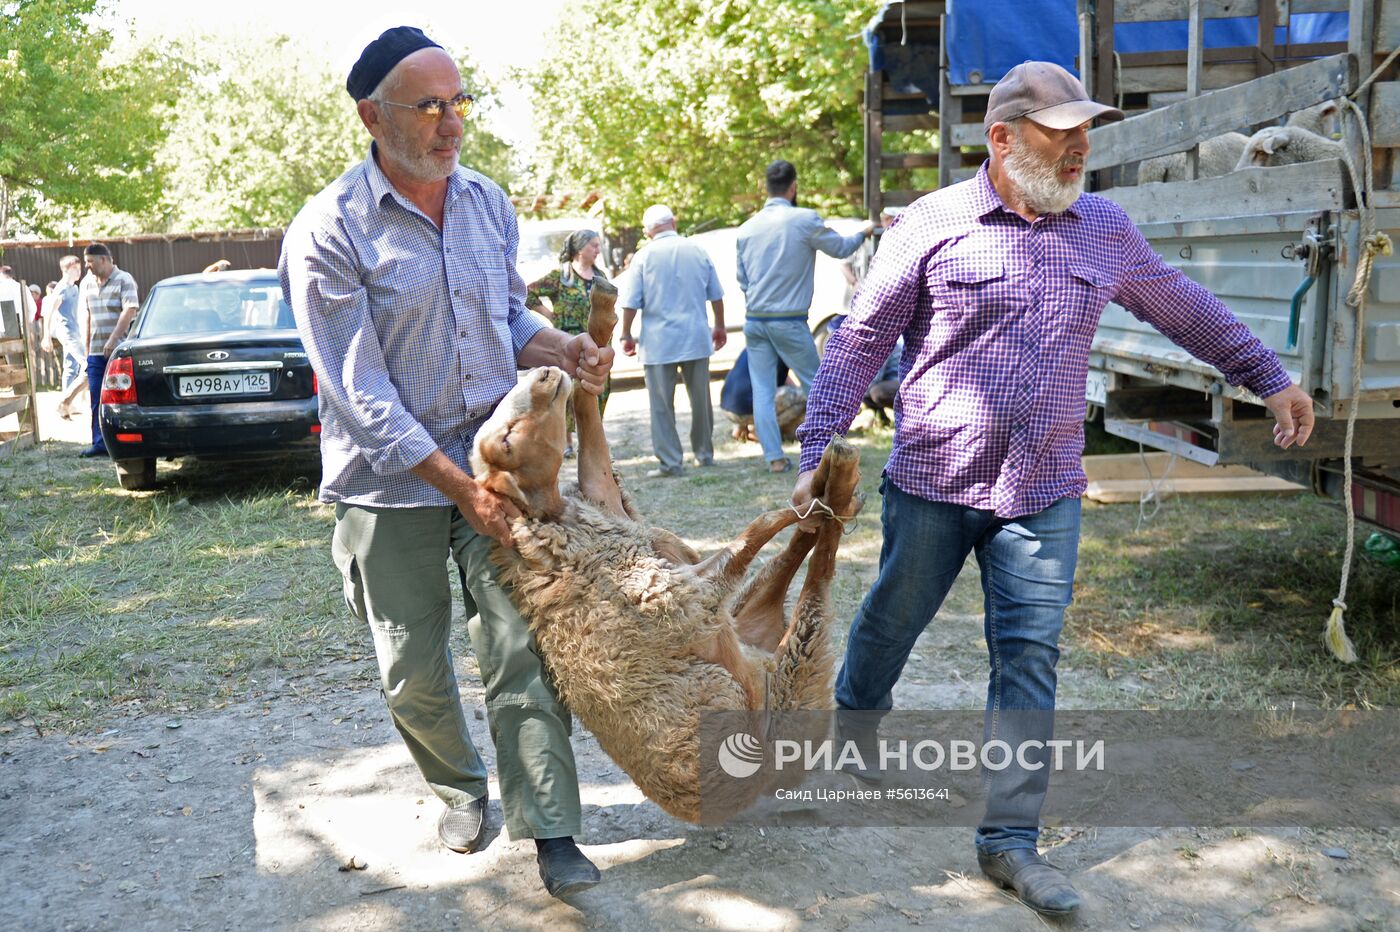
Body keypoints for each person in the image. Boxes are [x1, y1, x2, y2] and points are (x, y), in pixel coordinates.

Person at [790, 60, 1316, 918]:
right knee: (894, 615)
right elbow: (860, 338)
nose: (1080, 150)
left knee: (1029, 655)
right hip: (933, 476)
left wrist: (1269, 374)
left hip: (1044, 488)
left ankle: (1010, 843)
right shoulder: (932, 223)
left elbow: (1179, 304)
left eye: (1085, 134)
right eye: (1060, 134)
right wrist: (819, 442)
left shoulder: (1103, 228)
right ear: (1002, 139)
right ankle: (859, 707)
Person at [278, 26, 613, 899]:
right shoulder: (328, 231)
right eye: (428, 105)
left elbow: (503, 318)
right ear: (370, 114)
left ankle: (552, 828)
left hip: (498, 472)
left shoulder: (485, 204)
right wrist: (455, 486)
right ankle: (458, 788)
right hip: (388, 487)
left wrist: (559, 343)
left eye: (459, 101)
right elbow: (360, 392)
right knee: (410, 664)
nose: (451, 122)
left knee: (523, 648)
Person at [735, 160, 872, 473]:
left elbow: (742, 280)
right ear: (793, 187)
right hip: (789, 319)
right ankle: (828, 449)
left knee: (763, 390)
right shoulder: (804, 220)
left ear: (765, 188)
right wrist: (863, 232)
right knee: (818, 383)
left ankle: (774, 458)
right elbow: (840, 248)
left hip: (755, 320)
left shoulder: (747, 228)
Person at [619, 204, 725, 478]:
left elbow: (631, 302)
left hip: (659, 341)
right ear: (674, 222)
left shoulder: (643, 257)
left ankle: (670, 462)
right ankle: (704, 453)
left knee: (661, 405)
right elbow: (715, 295)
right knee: (701, 400)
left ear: (647, 231)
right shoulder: (697, 250)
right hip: (695, 336)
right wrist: (720, 326)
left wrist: (626, 333)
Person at [525, 229, 612, 456]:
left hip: (595, 341)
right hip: (568, 343)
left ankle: (591, 440)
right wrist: (550, 315)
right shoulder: (561, 276)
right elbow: (527, 294)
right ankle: (567, 442)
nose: (597, 249)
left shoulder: (599, 276)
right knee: (566, 393)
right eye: (593, 245)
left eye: (597, 245)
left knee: (596, 390)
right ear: (579, 248)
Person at [77, 243, 140, 458]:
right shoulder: (87, 284)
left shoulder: (124, 279)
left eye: (90, 262)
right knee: (96, 397)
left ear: (103, 259)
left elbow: (129, 310)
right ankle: (99, 443)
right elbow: (88, 316)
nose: (87, 267)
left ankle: (124, 439)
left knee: (121, 397)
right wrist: (86, 350)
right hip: (95, 352)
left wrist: (113, 340)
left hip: (118, 352)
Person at [44, 256, 86, 418]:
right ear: (67, 269)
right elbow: (50, 311)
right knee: (87, 365)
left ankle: (69, 405)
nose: (79, 271)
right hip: (67, 333)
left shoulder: (74, 288)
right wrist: (46, 335)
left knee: (71, 367)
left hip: (76, 332)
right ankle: (63, 402)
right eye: (76, 268)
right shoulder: (61, 288)